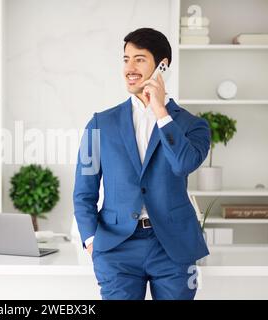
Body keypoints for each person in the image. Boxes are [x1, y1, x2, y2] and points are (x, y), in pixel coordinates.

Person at [73, 28, 210, 300]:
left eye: (139, 59)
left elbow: (183, 164)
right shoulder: (99, 124)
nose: (129, 68)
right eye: (125, 59)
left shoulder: (194, 126)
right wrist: (91, 241)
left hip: (173, 248)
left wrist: (161, 111)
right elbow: (83, 191)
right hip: (117, 247)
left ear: (163, 66)